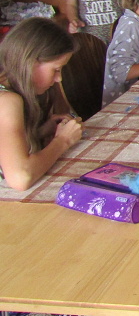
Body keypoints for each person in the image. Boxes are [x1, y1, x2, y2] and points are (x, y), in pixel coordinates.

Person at [0, 18, 83, 191]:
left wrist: (41, 131)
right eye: (56, 69)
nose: (59, 78)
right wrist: (63, 140)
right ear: (30, 62)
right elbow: (21, 177)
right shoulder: (7, 101)